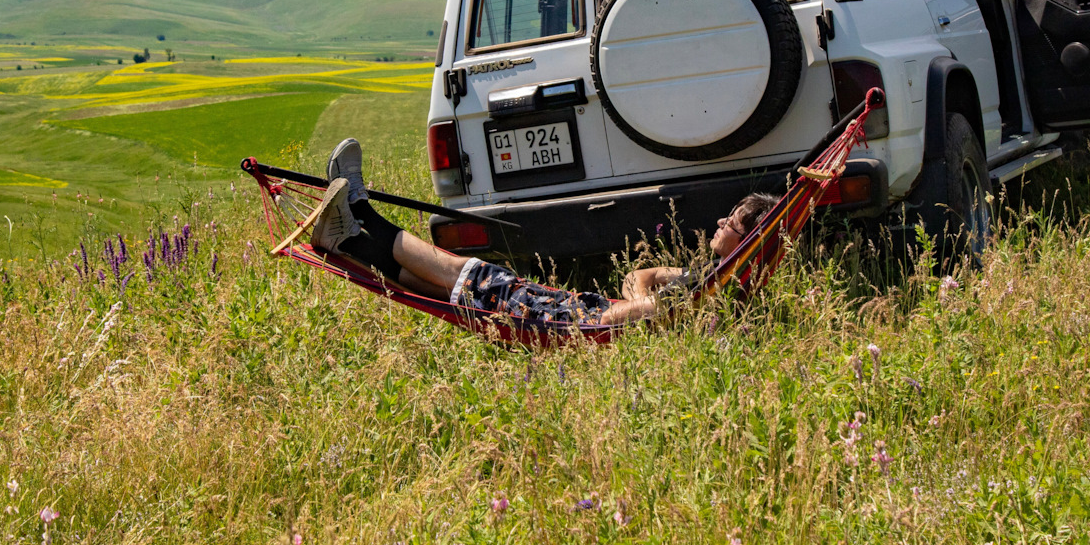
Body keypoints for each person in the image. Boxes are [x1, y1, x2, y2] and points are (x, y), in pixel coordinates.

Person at [309, 138, 779, 329]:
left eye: (733, 221)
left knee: (471, 276)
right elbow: (645, 274)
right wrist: (640, 298)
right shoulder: (709, 276)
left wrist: (636, 307)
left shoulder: (712, 296)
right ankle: (350, 237)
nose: (720, 222)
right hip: (577, 308)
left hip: (566, 319)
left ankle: (360, 216)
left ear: (751, 239)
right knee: (429, 287)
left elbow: (618, 319)